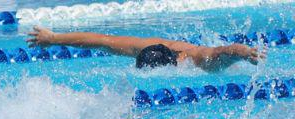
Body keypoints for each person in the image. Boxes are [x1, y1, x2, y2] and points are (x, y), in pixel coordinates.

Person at [27, 25, 265, 70]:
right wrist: (54, 38)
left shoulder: (197, 60)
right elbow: (99, 39)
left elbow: (220, 51)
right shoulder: (143, 47)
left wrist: (245, 53)